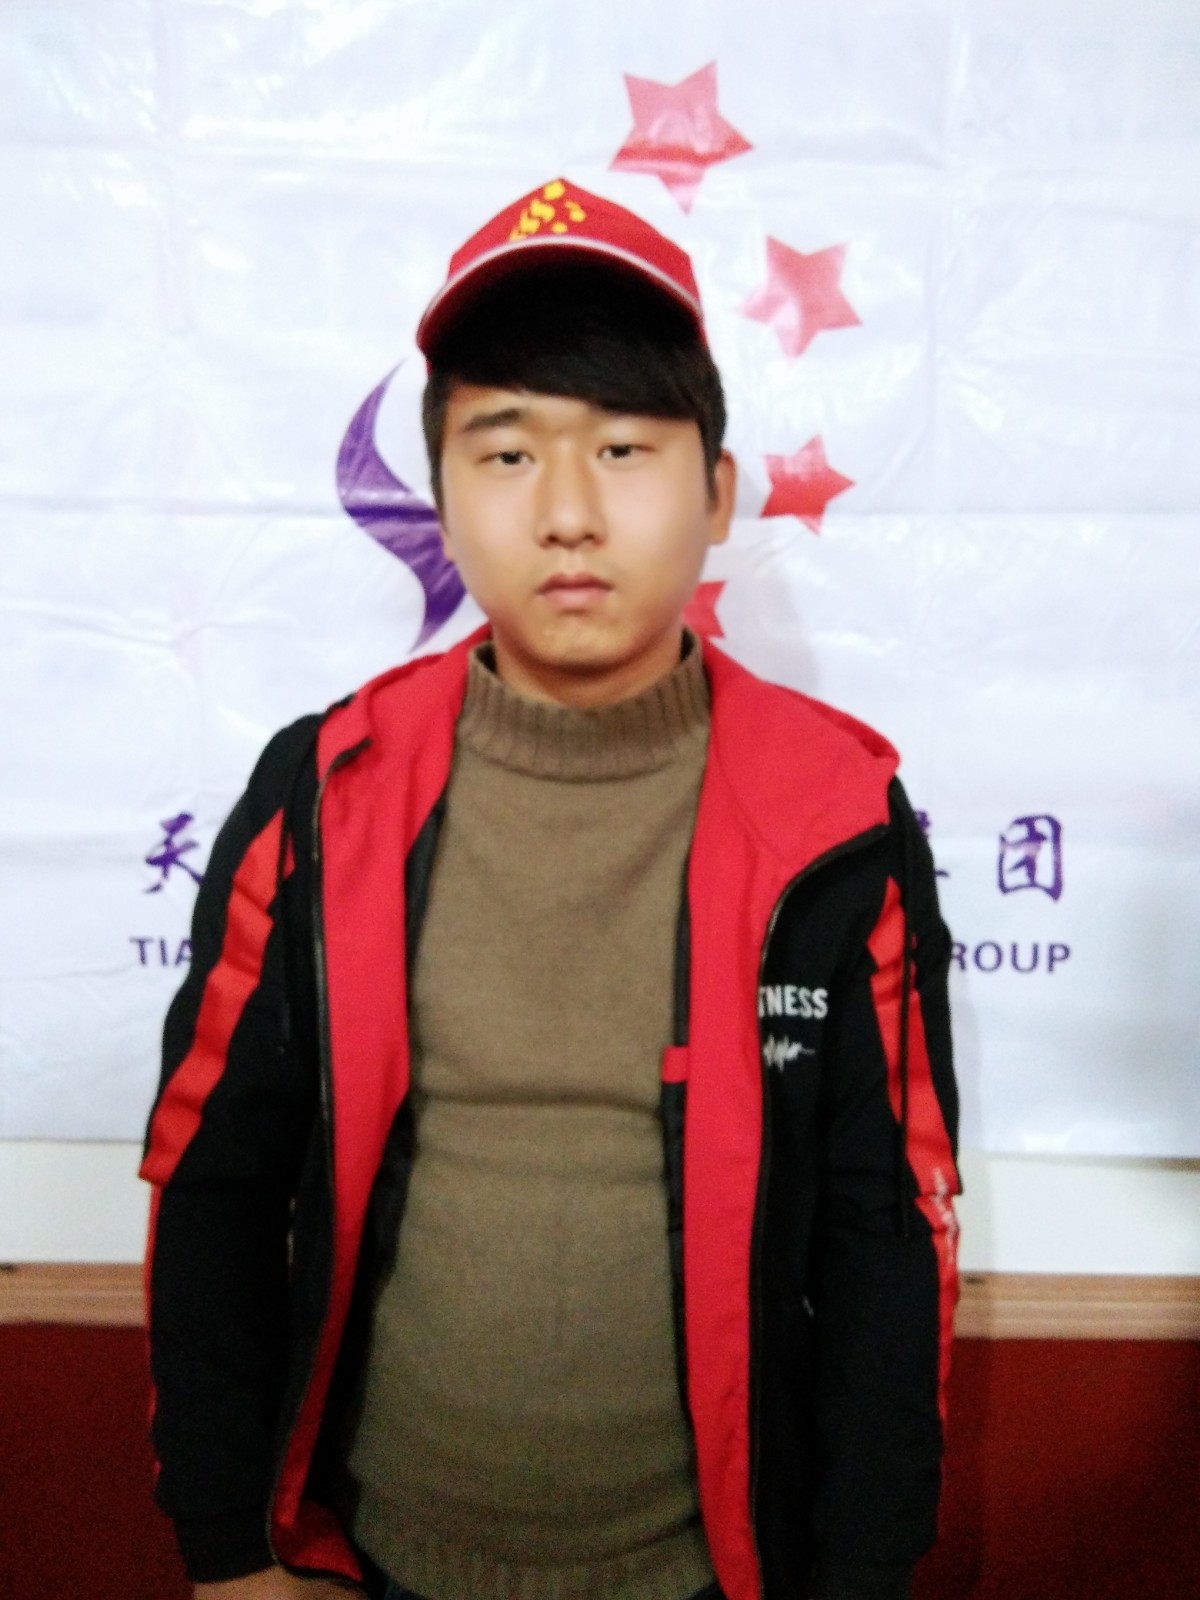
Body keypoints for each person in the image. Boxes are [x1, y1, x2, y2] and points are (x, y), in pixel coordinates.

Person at [141, 177, 960, 1600]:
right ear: (440, 498)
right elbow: (215, 1182)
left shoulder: (836, 819)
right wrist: (228, 1553)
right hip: (376, 1559)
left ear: (717, 493)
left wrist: (861, 1579)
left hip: (712, 1575)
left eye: (625, 449)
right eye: (508, 452)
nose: (569, 513)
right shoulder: (324, 794)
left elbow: (886, 1227)